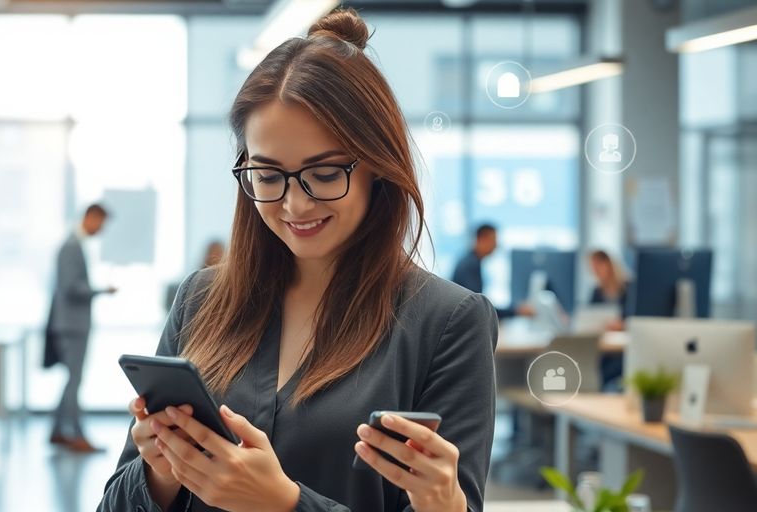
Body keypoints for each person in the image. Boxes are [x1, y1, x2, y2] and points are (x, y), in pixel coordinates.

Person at [98, 8, 497, 512]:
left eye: (325, 174)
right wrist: (158, 471)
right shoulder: (202, 299)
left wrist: (284, 504)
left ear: (377, 164)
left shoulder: (446, 322)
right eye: (268, 176)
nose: (295, 205)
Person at [45, 203, 117, 453]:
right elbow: (70, 288)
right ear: (91, 216)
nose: (101, 229)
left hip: (72, 325)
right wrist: (101, 290)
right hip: (71, 327)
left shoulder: (75, 245)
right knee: (74, 382)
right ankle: (76, 434)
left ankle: (56, 432)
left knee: (71, 381)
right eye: (101, 223)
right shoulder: (71, 246)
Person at [451, 224, 530, 318]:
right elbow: (477, 307)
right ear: (482, 239)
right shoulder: (470, 265)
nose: (496, 245)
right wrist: (515, 311)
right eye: (493, 240)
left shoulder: (471, 261)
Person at [589, 249, 629, 389]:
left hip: (623, 349)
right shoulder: (596, 292)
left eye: (598, 266)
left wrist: (623, 325)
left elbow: (635, 318)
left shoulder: (629, 289)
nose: (595, 271)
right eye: (593, 268)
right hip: (604, 346)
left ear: (609, 264)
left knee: (608, 371)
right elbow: (590, 316)